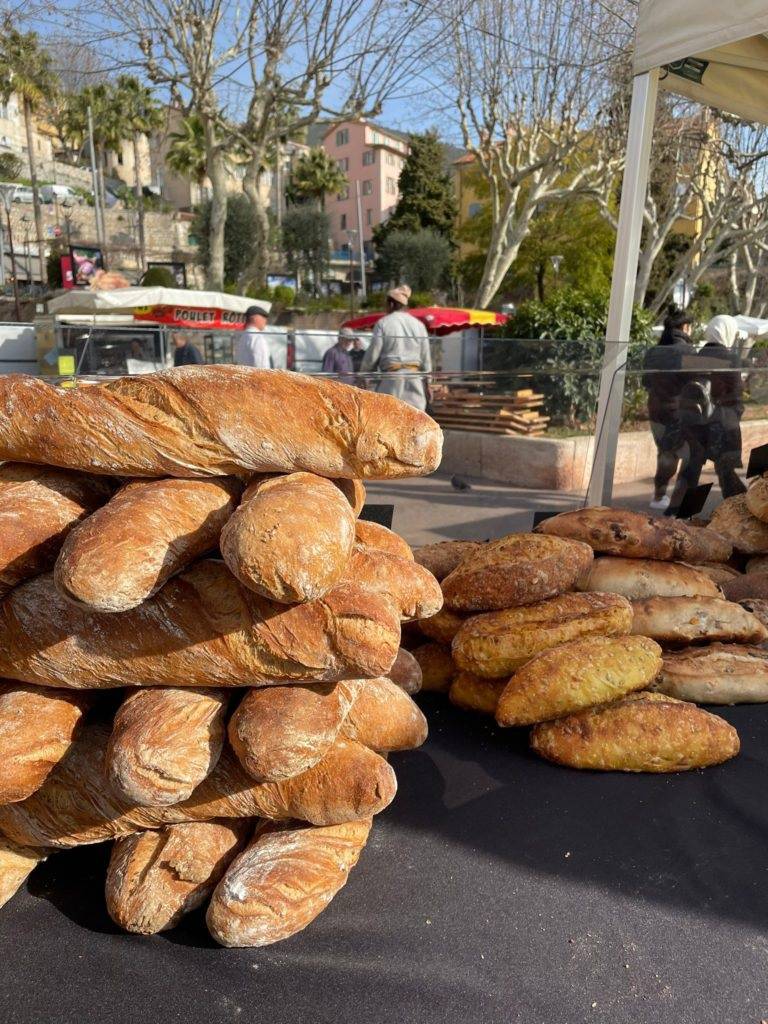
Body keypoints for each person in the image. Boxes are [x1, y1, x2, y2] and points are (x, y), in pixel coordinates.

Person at [642, 306, 695, 510]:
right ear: (685, 327)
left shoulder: (654, 351)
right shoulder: (688, 351)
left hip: (655, 410)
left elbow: (646, 382)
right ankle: (679, 503)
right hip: (679, 411)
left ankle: (659, 496)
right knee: (688, 456)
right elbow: (697, 383)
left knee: (665, 452)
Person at [360, 284, 431, 410]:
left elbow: (372, 355)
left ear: (391, 304)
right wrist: (428, 384)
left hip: (390, 381)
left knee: (389, 422)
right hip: (415, 380)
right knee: (416, 423)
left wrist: (364, 376)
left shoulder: (384, 323)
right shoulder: (419, 325)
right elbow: (426, 359)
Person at [699, 314, 747, 499]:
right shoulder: (730, 358)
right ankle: (738, 510)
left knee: (692, 472)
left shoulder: (697, 356)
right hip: (725, 423)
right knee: (726, 473)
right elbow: (736, 394)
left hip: (700, 423)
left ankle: (685, 517)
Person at [234, 303, 272, 368]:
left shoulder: (241, 337)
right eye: (263, 317)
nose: (265, 320)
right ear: (253, 318)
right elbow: (262, 367)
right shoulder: (257, 337)